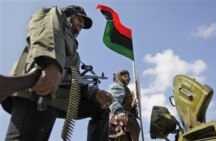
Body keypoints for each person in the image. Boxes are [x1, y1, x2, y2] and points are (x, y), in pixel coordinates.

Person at [1, 5, 113, 141]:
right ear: (69, 16)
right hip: (38, 91)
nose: (82, 24)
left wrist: (95, 93)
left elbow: (75, 79)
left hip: (58, 98)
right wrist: (52, 64)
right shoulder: (55, 15)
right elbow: (48, 32)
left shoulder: (75, 54)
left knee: (101, 108)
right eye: (80, 19)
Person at [108, 70, 140, 141]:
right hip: (119, 123)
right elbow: (113, 99)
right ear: (119, 77)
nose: (127, 78)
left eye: (128, 77)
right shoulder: (117, 86)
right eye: (125, 76)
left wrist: (133, 104)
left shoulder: (125, 89)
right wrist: (119, 111)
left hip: (128, 123)